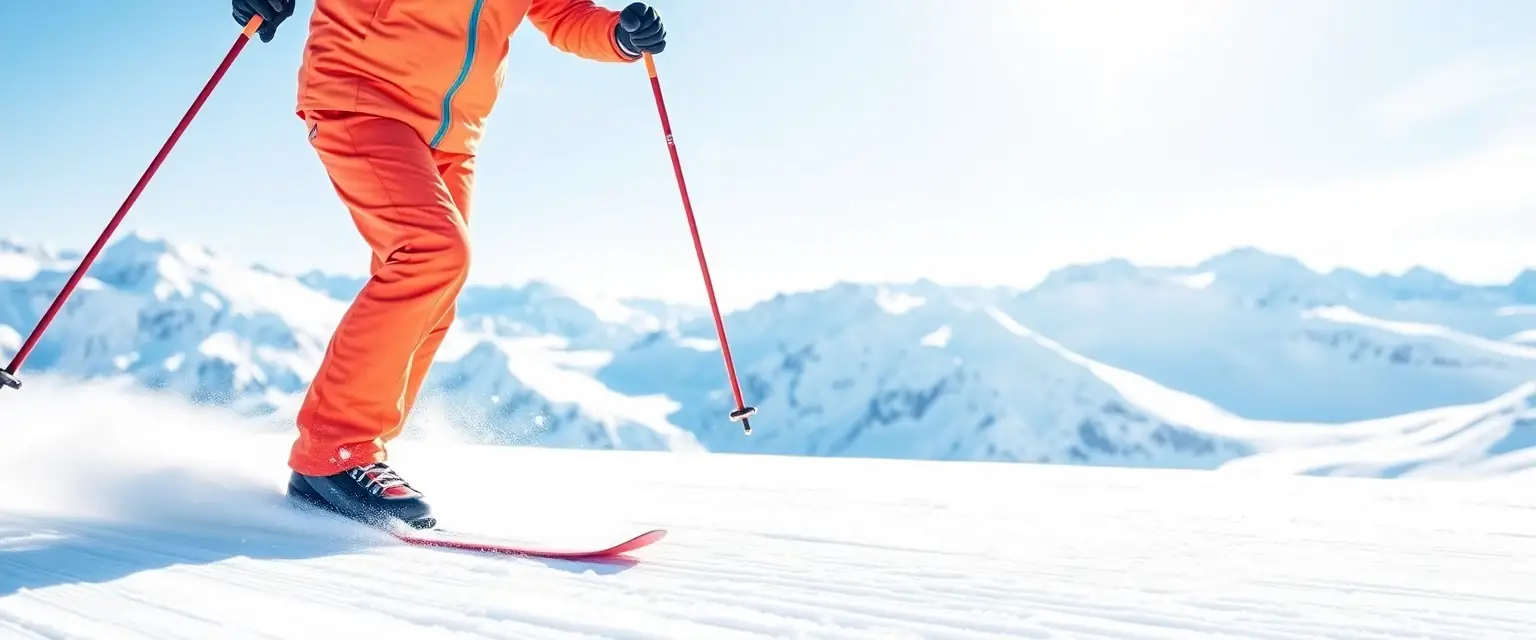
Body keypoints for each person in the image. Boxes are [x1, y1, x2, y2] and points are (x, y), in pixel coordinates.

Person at [230, 0, 668, 529]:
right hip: (363, 94)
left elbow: (563, 13)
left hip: (452, 136)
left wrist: (618, 34)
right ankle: (331, 455)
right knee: (432, 253)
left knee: (433, 295)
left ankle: (356, 456)